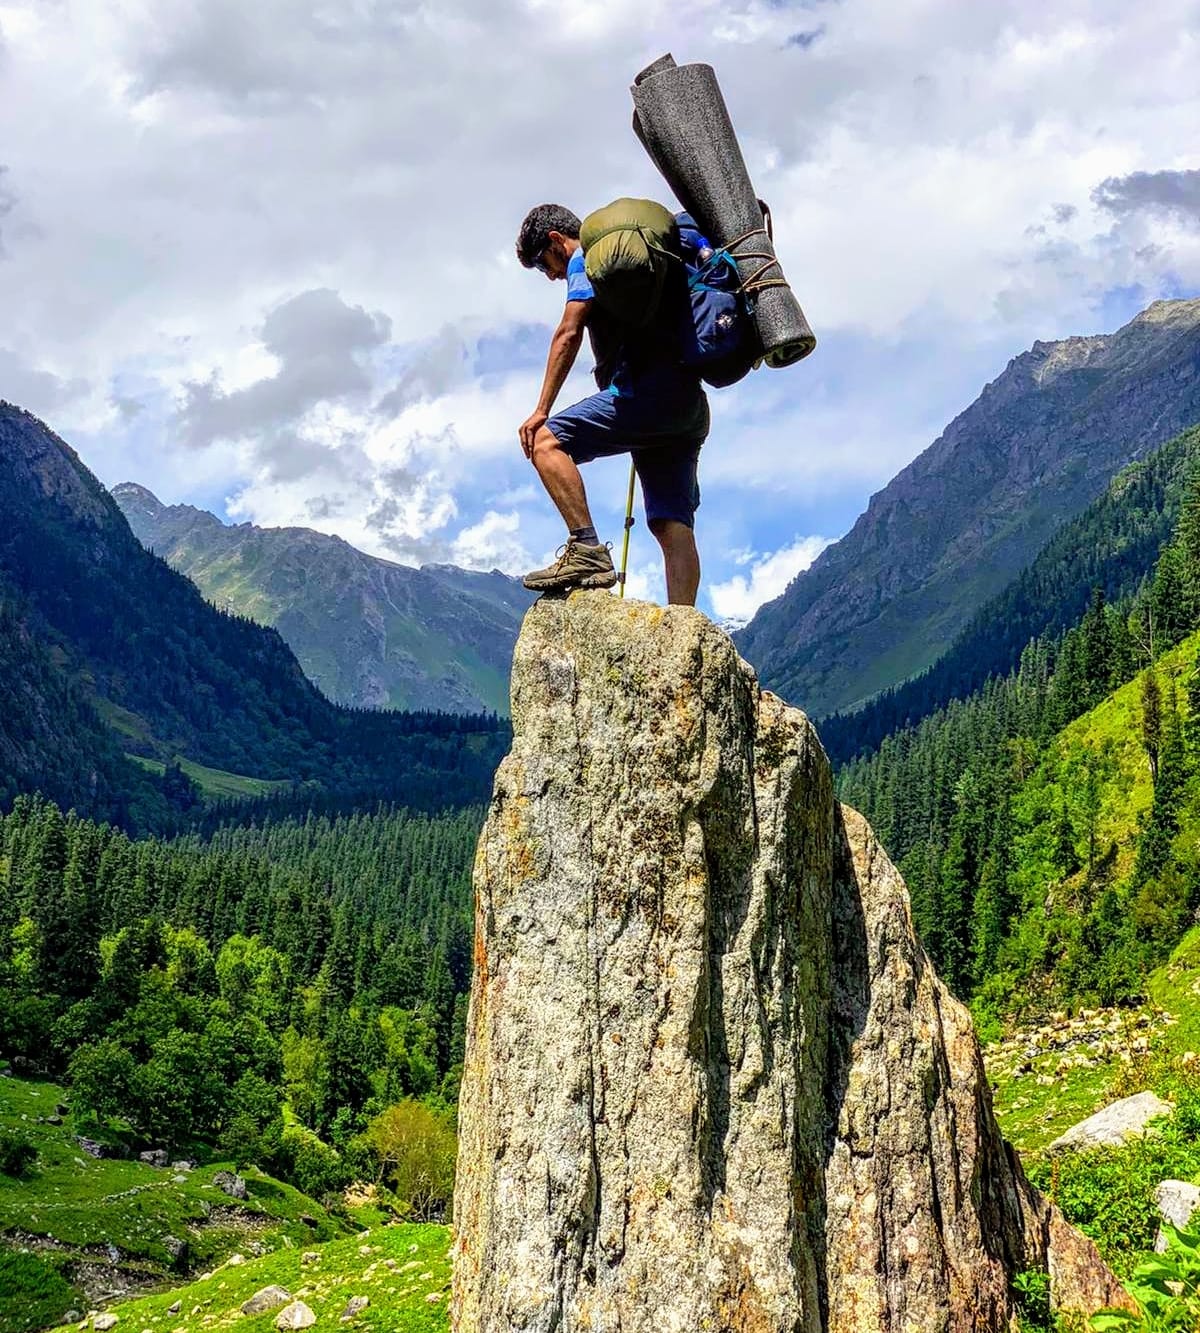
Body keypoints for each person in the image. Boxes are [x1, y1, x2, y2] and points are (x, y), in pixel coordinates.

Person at [515, 203, 709, 606]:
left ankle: (585, 548)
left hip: (642, 396)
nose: (549, 275)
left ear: (555, 240)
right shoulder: (650, 264)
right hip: (686, 405)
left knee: (546, 442)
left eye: (542, 265)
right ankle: (684, 628)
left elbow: (568, 332)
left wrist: (541, 410)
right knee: (671, 524)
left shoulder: (585, 258)